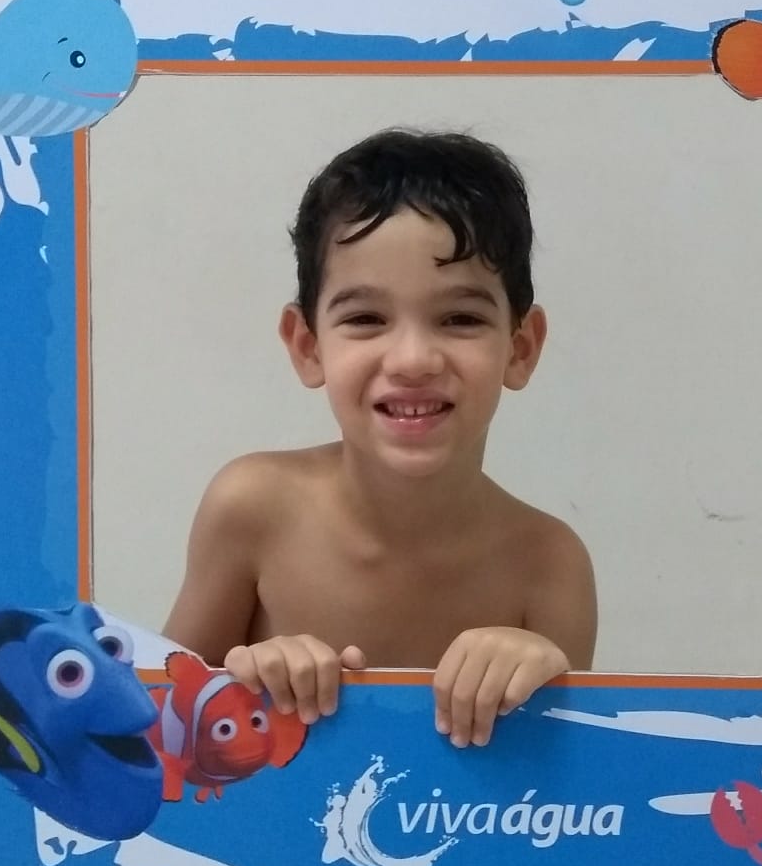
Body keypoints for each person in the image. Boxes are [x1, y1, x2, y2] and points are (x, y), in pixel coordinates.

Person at [164, 128, 596, 747]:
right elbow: (161, 728)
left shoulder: (549, 566)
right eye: (366, 318)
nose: (413, 359)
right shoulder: (252, 508)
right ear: (308, 346)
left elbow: (559, 785)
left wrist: (543, 677)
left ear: (520, 347)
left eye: (460, 318)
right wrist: (240, 684)